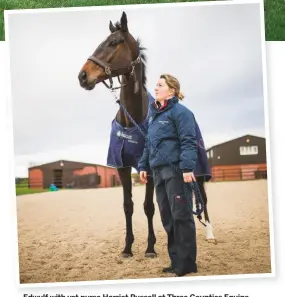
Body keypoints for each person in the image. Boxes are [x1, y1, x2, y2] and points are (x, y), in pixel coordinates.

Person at [138, 74, 198, 277]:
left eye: (160, 85)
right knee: (167, 217)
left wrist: (188, 168)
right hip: (157, 172)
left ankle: (187, 264)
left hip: (175, 171)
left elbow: (189, 141)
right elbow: (148, 143)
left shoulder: (182, 113)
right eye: (156, 84)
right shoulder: (154, 116)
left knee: (181, 216)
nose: (155, 88)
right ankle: (175, 261)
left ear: (171, 91)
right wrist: (143, 165)